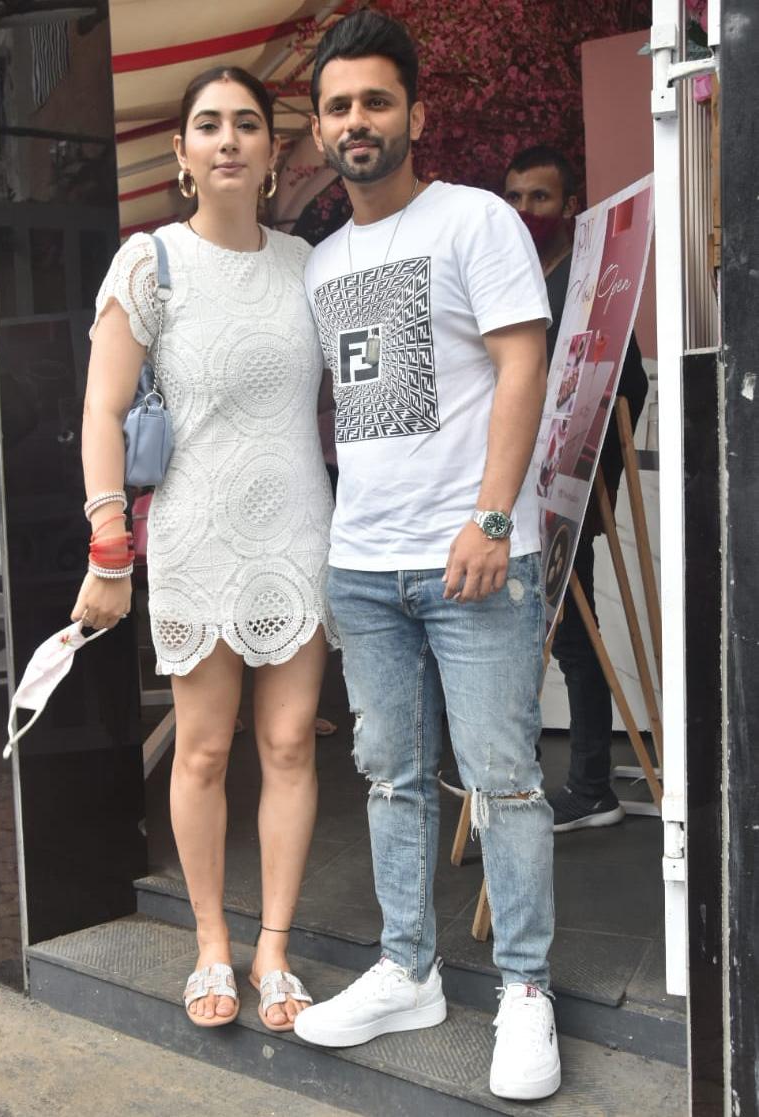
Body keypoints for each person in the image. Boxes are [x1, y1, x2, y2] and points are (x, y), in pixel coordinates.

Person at [292, 10, 561, 1103]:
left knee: (505, 782)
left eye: (375, 101)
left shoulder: (476, 222)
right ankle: (408, 970)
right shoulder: (321, 263)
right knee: (388, 779)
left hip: (474, 559)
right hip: (363, 563)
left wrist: (493, 519)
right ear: (318, 130)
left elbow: (521, 368)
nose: (357, 122)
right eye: (339, 107)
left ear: (415, 113)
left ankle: (525, 990)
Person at [71, 66, 337, 1033]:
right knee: (205, 750)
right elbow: (102, 409)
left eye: (247, 126)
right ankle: (211, 944)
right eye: (208, 126)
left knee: (287, 745)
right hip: (190, 534)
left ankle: (273, 946)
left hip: (298, 532)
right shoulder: (150, 262)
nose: (228, 139)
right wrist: (109, 544)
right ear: (181, 153)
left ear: (274, 153)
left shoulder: (311, 263)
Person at [503, 146, 648, 831]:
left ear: (568, 205)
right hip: (517, 495)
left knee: (570, 638)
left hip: (564, 494)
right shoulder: (514, 277)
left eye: (540, 197)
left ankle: (590, 783)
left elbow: (630, 381)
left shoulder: (584, 282)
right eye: (516, 197)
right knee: (548, 637)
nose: (526, 210)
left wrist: (593, 480)